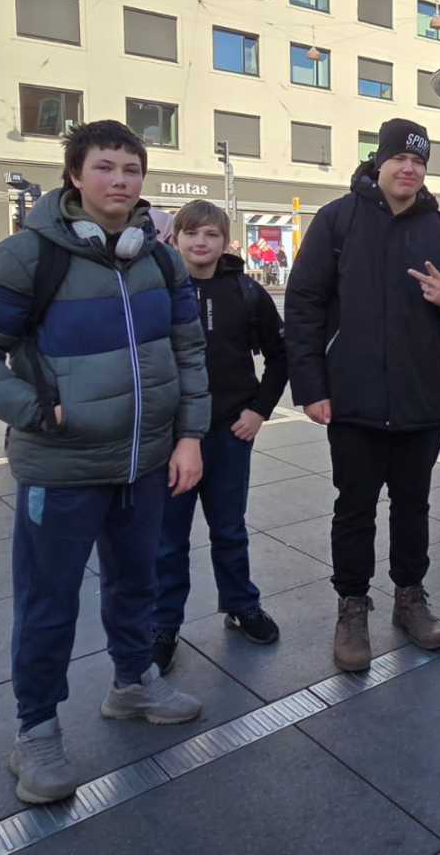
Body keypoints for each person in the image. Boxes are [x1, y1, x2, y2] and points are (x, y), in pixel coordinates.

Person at [0, 121, 209, 804]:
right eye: (105, 167)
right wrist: (38, 411)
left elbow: (188, 353)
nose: (120, 180)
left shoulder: (161, 259)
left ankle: (132, 684)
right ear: (75, 176)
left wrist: (189, 437)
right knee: (48, 602)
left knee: (136, 583)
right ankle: (36, 732)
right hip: (60, 468)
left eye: (131, 169)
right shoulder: (28, 255)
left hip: (144, 462)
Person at [285, 118, 440, 666]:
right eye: (400, 158)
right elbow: (302, 305)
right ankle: (352, 606)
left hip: (423, 395)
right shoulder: (337, 220)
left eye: (419, 162)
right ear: (379, 161)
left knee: (413, 504)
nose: (409, 169)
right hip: (353, 396)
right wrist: (311, 387)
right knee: (354, 508)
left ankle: (409, 598)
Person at [151, 200, 288, 673]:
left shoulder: (247, 292)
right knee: (168, 538)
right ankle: (163, 622)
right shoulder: (156, 290)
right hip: (170, 437)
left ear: (225, 241)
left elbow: (281, 355)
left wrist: (259, 410)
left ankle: (241, 604)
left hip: (230, 431)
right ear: (174, 239)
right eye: (191, 233)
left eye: (210, 234)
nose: (200, 242)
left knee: (229, 528)